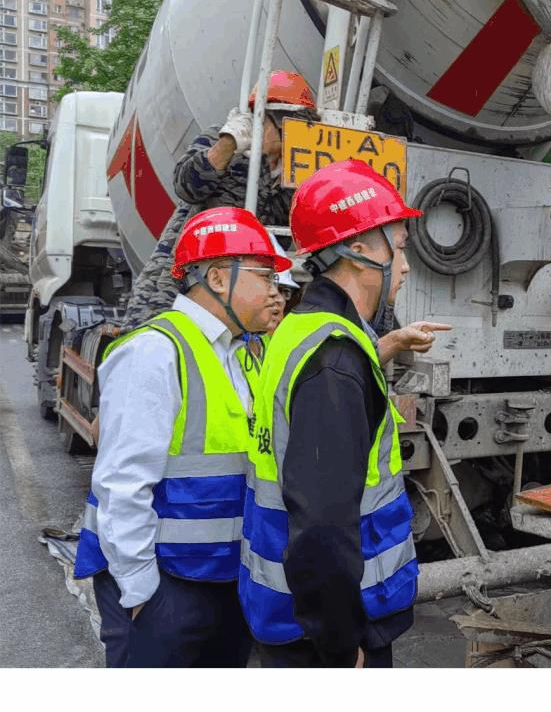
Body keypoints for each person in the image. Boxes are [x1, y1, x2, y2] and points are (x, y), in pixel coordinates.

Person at [240, 160, 451, 668]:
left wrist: (389, 344)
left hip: (290, 617)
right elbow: (321, 527)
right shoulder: (333, 360)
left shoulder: (305, 328)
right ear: (360, 251)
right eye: (398, 249)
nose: (404, 266)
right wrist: (338, 645)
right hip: (323, 635)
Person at [73, 206, 291, 667]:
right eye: (265, 276)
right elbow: (121, 484)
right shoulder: (154, 352)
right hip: (165, 588)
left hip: (222, 579)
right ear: (216, 278)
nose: (276, 291)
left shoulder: (241, 351)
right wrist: (141, 592)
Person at [123, 70, 318, 329]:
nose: (286, 136)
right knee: (153, 337)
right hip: (181, 277)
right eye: (280, 125)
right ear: (260, 118)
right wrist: (229, 144)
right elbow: (186, 186)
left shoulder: (298, 174)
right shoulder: (222, 140)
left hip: (245, 287)